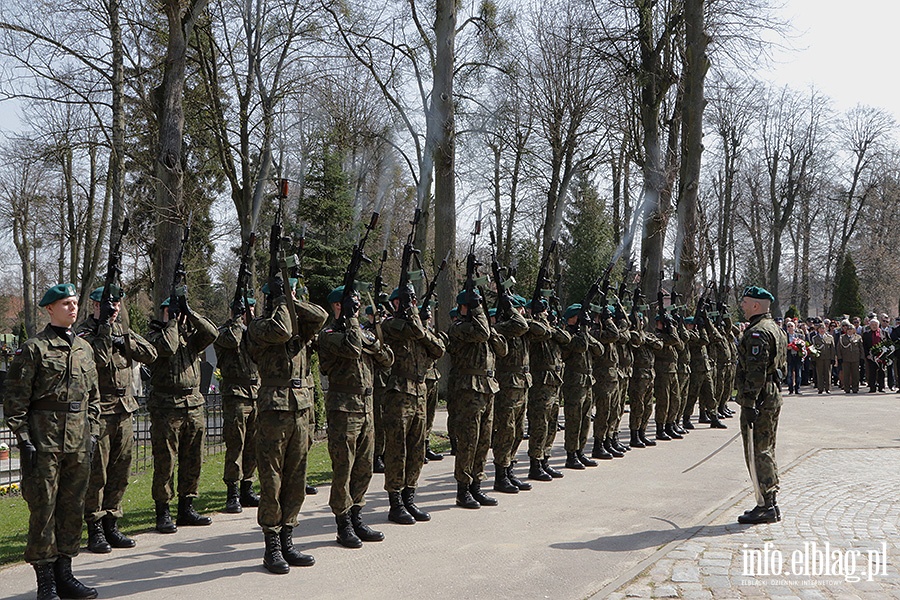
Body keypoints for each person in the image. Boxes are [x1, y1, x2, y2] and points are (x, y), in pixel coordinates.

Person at [5, 284, 101, 600]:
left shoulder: (85, 349)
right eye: (65, 304)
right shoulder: (34, 349)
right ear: (49, 309)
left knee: (72, 508)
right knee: (43, 510)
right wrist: (24, 440)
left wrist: (94, 432)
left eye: (74, 303)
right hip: (44, 442)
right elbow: (15, 401)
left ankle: (65, 575)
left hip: (78, 442)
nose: (72, 308)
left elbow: (94, 398)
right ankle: (45, 581)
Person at [247, 276, 328, 573]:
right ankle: (272, 545)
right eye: (287, 291)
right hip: (273, 410)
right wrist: (282, 302)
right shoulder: (259, 326)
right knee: (272, 481)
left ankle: (288, 539)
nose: (293, 296)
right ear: (274, 297)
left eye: (294, 292)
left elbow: (321, 316)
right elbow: (281, 330)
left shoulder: (301, 322)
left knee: (296, 479)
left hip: (300, 408)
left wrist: (291, 300)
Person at [77, 285, 157, 554]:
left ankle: (112, 521)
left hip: (124, 410)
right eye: (107, 305)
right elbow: (92, 360)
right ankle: (95, 527)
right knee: (97, 474)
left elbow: (152, 354)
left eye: (117, 305)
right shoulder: (84, 334)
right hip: (99, 411)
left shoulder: (123, 332)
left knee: (121, 471)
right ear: (95, 306)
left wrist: (124, 341)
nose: (113, 310)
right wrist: (104, 334)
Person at [318, 286, 394, 547]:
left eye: (358, 305)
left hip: (367, 406)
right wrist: (353, 325)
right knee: (344, 468)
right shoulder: (329, 334)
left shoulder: (362, 332)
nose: (357, 309)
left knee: (364, 467)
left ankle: (357, 515)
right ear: (337, 306)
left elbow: (386, 357)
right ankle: (343, 523)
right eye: (351, 305)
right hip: (343, 408)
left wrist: (369, 339)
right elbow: (351, 348)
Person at [146, 293, 219, 533]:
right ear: (164, 313)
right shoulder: (154, 336)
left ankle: (187, 507)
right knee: (166, 461)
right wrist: (172, 322)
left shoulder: (191, 339)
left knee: (193, 459)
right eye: (171, 311)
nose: (177, 316)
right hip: (167, 406)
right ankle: (163, 511)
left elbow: (212, 333)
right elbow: (167, 347)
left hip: (193, 404)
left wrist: (191, 313)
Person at [381, 285, 445, 522]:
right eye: (407, 301)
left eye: (414, 301)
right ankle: (395, 501)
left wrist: (418, 320)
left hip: (420, 391)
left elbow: (438, 349)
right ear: (396, 303)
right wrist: (412, 315)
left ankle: (410, 496)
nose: (412, 304)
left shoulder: (418, 328)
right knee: (398, 449)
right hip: (399, 393)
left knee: (417, 448)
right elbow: (412, 329)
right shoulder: (391, 325)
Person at [447, 289, 507, 508]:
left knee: (484, 440)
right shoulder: (459, 328)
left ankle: (476, 486)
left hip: (488, 388)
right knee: (468, 442)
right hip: (469, 390)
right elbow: (481, 332)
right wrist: (478, 312)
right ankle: (463, 490)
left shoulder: (483, 329)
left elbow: (502, 350)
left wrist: (491, 329)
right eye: (474, 306)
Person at [735, 286, 786, 525]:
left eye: (745, 302)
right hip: (771, 393)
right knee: (766, 448)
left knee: (758, 451)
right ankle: (769, 502)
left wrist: (749, 402)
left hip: (760, 396)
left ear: (756, 305)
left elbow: (756, 372)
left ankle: (766, 504)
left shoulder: (758, 333)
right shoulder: (775, 328)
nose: (742, 306)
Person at [214, 296, 261, 514]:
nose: (248, 311)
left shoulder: (252, 330)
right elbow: (232, 340)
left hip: (255, 392)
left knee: (253, 444)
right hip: (236, 393)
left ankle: (247, 487)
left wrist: (250, 321)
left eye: (251, 307)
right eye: (244, 308)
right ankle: (232, 492)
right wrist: (236, 321)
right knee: (236, 444)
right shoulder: (225, 331)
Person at [490, 294, 533, 492]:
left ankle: (509, 470)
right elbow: (522, 325)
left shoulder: (517, 325)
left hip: (521, 384)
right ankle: (501, 474)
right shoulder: (502, 327)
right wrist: (510, 310)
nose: (522, 312)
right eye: (518, 308)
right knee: (505, 431)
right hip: (507, 386)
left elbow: (533, 327)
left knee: (518, 432)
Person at [526, 300, 571, 479]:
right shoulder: (534, 328)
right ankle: (535, 463)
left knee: (551, 424)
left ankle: (545, 458)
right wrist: (540, 320)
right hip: (541, 384)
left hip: (554, 383)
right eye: (543, 311)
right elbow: (541, 332)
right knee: (540, 425)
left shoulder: (552, 330)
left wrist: (551, 325)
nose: (546, 314)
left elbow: (566, 339)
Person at [560, 304, 601, 469]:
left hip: (586, 382)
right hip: (574, 383)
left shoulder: (583, 335)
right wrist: (583, 330)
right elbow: (580, 346)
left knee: (585, 420)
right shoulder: (568, 335)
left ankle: (580, 451)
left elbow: (599, 350)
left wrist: (586, 333)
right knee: (574, 420)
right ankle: (571, 454)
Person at [835, 320, 863, 394]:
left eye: (851, 330)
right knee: (846, 374)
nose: (850, 331)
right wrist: (839, 358)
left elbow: (861, 348)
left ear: (854, 330)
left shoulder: (858, 337)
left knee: (855, 374)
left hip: (855, 359)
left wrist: (862, 358)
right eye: (848, 330)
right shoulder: (842, 338)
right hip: (845, 359)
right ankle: (846, 388)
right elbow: (839, 348)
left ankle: (855, 388)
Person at [810, 323, 836, 394]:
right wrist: (813, 359)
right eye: (820, 328)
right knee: (819, 374)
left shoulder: (830, 337)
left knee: (828, 374)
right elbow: (813, 349)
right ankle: (820, 388)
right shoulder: (815, 338)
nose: (822, 330)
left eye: (823, 328)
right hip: (819, 359)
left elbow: (832, 349)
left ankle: (828, 388)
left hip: (827, 358)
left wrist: (832, 358)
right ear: (818, 329)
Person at [861, 318, 885, 393]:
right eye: (872, 325)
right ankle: (872, 387)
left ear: (878, 325)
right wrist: (867, 355)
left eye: (876, 325)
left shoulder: (883, 333)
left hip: (881, 356)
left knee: (881, 371)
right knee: (872, 372)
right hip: (871, 356)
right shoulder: (866, 334)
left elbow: (887, 343)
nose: (874, 326)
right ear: (870, 325)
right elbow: (864, 346)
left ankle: (881, 387)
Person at [784, 321, 803, 394]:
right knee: (789, 374)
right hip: (789, 357)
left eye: (791, 326)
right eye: (788, 326)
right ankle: (790, 389)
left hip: (797, 357)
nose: (790, 328)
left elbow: (803, 345)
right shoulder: (785, 336)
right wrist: (787, 348)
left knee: (799, 373)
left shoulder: (799, 336)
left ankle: (797, 389)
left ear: (795, 327)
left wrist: (800, 347)